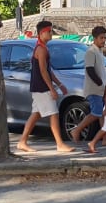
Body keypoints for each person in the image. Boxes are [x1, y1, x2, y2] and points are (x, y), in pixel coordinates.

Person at [17, 20, 75, 153]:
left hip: (39, 87)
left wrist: (59, 84)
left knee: (36, 114)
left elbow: (48, 70)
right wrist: (52, 88)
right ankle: (60, 144)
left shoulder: (43, 48)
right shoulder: (41, 49)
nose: (51, 34)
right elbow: (43, 71)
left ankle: (22, 142)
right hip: (41, 87)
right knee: (54, 113)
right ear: (42, 33)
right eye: (49, 32)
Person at [70, 26, 106, 146]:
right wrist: (99, 83)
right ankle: (77, 130)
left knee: (102, 114)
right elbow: (89, 69)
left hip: (100, 89)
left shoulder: (99, 51)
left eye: (105, 38)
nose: (103, 40)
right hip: (94, 89)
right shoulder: (91, 51)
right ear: (94, 38)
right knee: (96, 113)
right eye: (101, 38)